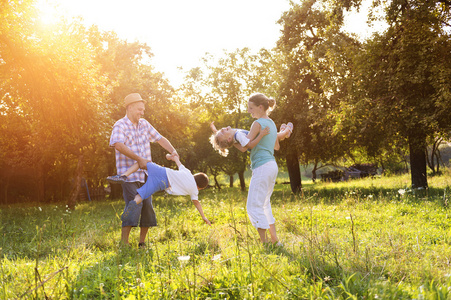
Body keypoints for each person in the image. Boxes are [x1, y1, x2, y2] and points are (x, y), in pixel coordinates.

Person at [109, 92, 179, 247]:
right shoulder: (120, 125)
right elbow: (118, 145)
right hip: (129, 176)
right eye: (139, 109)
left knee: (147, 207)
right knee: (134, 205)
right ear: (130, 107)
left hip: (147, 175)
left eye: (143, 110)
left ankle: (142, 243)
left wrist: (173, 152)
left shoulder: (145, 124)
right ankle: (124, 242)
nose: (142, 112)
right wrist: (138, 159)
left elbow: (160, 138)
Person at [118, 153, 211, 226]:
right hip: (162, 184)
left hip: (161, 171)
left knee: (141, 163)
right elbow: (196, 203)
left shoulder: (188, 173)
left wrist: (171, 157)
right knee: (142, 195)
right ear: (200, 187)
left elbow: (178, 162)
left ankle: (123, 176)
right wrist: (203, 217)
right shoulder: (194, 190)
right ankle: (134, 203)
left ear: (195, 176)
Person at [209, 121, 293, 157]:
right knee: (275, 136)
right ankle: (286, 131)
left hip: (260, 142)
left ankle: (283, 132)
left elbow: (224, 139)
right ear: (229, 139)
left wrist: (215, 131)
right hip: (260, 142)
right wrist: (261, 134)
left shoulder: (232, 135)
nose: (222, 129)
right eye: (222, 132)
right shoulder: (238, 136)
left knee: (275, 136)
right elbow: (244, 148)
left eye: (221, 130)